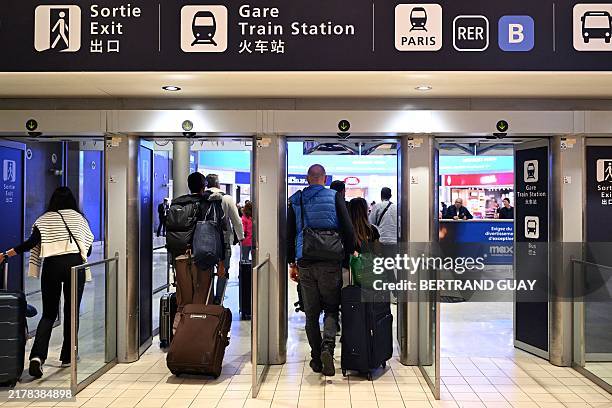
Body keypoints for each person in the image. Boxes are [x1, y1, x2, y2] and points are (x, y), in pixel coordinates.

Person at [0, 187, 94, 378]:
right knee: (71, 312)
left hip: (52, 265)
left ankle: (37, 356)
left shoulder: (43, 220)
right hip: (75, 266)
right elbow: (88, 248)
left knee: (49, 314)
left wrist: (5, 254)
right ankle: (68, 356)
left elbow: (30, 243)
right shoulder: (79, 219)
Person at [287, 164, 355, 377]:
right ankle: (328, 347)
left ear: (308, 178)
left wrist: (292, 262)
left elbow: (289, 233)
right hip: (330, 261)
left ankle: (316, 358)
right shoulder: (335, 197)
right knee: (332, 309)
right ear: (324, 179)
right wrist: (349, 254)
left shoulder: (295, 199)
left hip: (305, 261)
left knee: (311, 313)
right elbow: (348, 228)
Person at [185, 172, 226, 301]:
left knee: (185, 294)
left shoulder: (180, 203)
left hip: (182, 256)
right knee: (203, 291)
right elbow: (218, 232)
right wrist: (221, 262)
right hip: (203, 254)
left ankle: (184, 319)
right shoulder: (211, 203)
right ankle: (201, 319)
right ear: (204, 186)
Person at [205, 174, 244, 304]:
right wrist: (240, 237)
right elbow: (236, 221)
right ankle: (219, 299)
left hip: (204, 241)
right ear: (218, 184)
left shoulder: (202, 198)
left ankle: (207, 298)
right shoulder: (227, 198)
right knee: (223, 271)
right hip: (223, 241)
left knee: (206, 270)